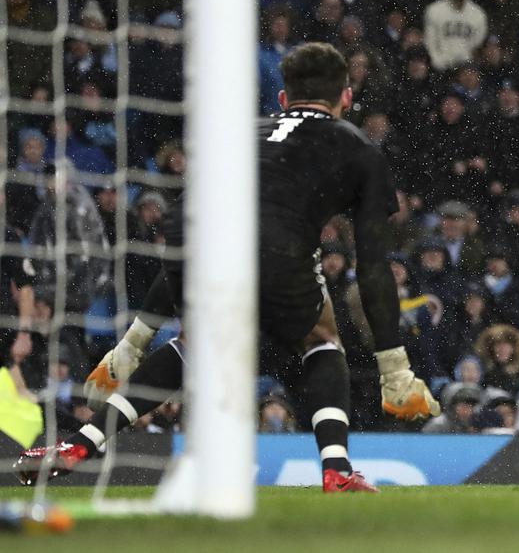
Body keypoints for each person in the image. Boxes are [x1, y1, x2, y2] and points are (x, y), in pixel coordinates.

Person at [15, 43, 441, 493]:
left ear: (283, 100)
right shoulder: (359, 148)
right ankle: (335, 468)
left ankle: (81, 442)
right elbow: (373, 266)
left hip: (187, 233)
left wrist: (132, 345)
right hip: (275, 245)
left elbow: (194, 242)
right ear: (347, 99)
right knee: (321, 337)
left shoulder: (242, 131)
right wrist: (395, 368)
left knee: (196, 343)